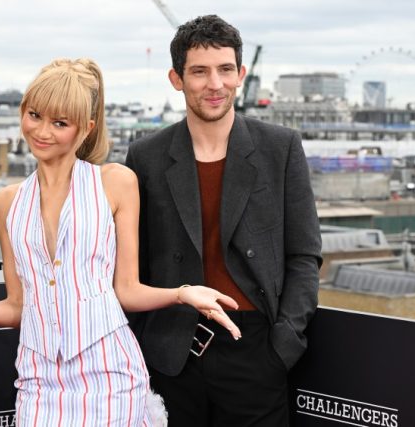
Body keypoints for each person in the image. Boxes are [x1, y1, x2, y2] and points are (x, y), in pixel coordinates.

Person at [0, 58, 242, 426]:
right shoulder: (6, 202)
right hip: (39, 380)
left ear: (85, 128)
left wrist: (183, 293)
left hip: (111, 376)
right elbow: (17, 308)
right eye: (35, 115)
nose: (42, 131)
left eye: (60, 123)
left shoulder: (116, 183)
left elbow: (126, 291)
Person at [125, 15, 323, 427]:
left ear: (241, 74)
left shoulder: (280, 147)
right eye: (199, 71)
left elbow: (304, 255)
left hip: (256, 351)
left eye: (225, 69)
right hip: (172, 354)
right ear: (176, 79)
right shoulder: (146, 156)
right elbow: (135, 264)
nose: (215, 84)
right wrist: (149, 343)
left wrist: (282, 346)